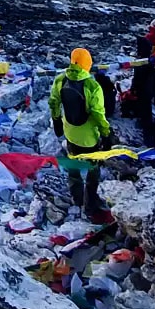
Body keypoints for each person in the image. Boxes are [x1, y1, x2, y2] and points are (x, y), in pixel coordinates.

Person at [50, 47, 113, 221]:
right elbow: (98, 114)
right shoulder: (92, 86)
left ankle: (76, 198)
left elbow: (53, 102)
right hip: (89, 138)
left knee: (73, 165)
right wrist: (106, 134)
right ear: (88, 64)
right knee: (93, 170)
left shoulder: (60, 79)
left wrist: (56, 122)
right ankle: (90, 205)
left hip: (70, 132)